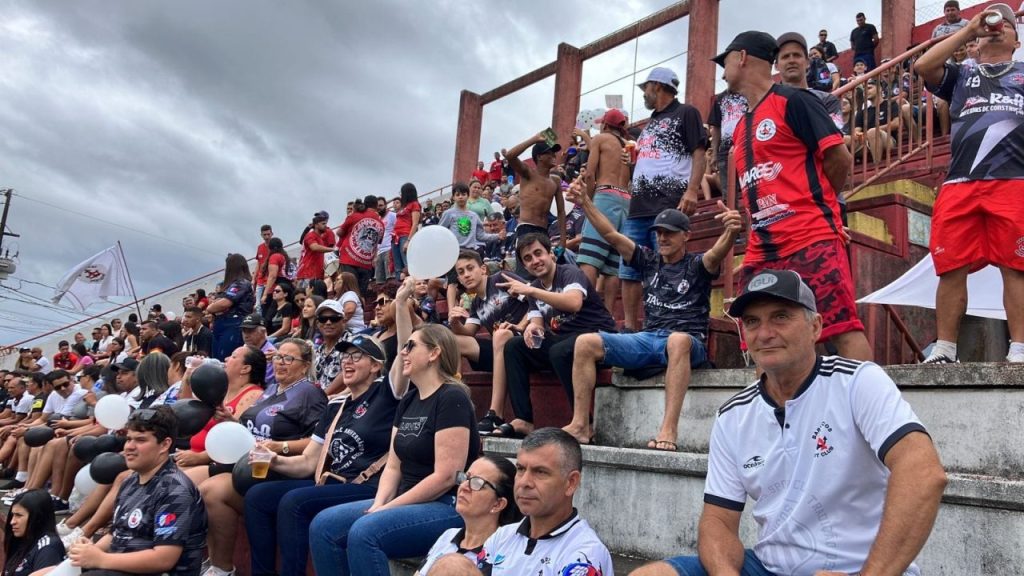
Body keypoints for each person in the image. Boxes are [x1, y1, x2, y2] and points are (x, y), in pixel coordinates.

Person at [636, 270, 946, 576]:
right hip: (769, 567)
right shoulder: (732, 415)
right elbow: (717, 521)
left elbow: (923, 472)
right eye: (752, 322)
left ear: (815, 327)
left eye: (780, 317)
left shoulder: (857, 382)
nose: (764, 333)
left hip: (861, 568)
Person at [714, 30, 872, 361]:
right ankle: (775, 413)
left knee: (840, 327)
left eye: (725, 61)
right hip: (761, 251)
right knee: (760, 339)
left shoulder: (795, 101)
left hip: (809, 237)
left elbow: (839, 157)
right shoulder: (741, 127)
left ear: (742, 57)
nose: (722, 70)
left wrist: (823, 209)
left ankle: (871, 413)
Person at [562, 182, 742, 449]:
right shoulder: (648, 260)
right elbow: (611, 234)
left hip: (687, 342)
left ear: (686, 236)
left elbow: (717, 253)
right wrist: (587, 202)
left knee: (678, 340)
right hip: (649, 339)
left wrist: (731, 230)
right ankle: (579, 425)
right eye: (658, 233)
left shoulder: (696, 265)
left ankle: (668, 430)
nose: (662, 238)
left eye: (669, 233)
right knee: (585, 342)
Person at [308, 311, 479, 576]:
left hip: (446, 503)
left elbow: (446, 477)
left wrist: (387, 509)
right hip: (405, 498)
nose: (403, 352)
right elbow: (393, 467)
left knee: (365, 532)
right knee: (323, 525)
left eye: (411, 346)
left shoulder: (451, 397)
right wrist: (379, 504)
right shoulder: (409, 401)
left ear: (434, 353)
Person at [914, 3, 1024, 363]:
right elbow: (923, 67)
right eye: (992, 23)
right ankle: (945, 349)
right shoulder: (962, 74)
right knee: (950, 267)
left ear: (1016, 39)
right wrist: (967, 31)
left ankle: (1020, 349)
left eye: (1005, 25)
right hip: (960, 182)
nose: (998, 28)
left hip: (1012, 181)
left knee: (1016, 266)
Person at [243, 333, 403, 576]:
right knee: (257, 496)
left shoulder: (387, 394)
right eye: (345, 356)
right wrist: (275, 460)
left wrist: (402, 303)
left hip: (370, 486)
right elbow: (308, 463)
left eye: (357, 356)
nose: (347, 362)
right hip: (332, 481)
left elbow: (403, 348)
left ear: (376, 366)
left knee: (294, 502)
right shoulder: (335, 406)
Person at [197, 339, 326, 576]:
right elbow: (253, 433)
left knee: (212, 491)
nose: (281, 363)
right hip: (245, 461)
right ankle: (205, 558)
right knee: (188, 480)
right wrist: (231, 421)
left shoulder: (310, 393)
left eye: (289, 359)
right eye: (278, 357)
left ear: (305, 366)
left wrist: (280, 447)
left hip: (278, 469)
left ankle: (222, 568)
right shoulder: (269, 389)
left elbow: (318, 441)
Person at [499, 233, 616, 437]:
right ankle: (524, 419)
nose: (535, 261)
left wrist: (530, 291)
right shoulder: (534, 288)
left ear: (551, 254)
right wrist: (531, 330)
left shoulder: (569, 273)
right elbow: (537, 323)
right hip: (564, 340)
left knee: (559, 351)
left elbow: (573, 303)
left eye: (538, 253)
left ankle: (584, 425)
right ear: (524, 267)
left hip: (597, 338)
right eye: (528, 259)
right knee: (514, 347)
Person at [622, 67, 707, 331]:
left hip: (668, 204)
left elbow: (700, 152)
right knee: (629, 269)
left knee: (668, 265)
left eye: (646, 88)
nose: (644, 94)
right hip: (638, 206)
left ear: (656, 86)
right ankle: (629, 327)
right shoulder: (650, 123)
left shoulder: (686, 112)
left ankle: (663, 324)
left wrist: (692, 190)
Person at [463, 429, 613, 575]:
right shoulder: (502, 537)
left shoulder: (585, 555)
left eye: (540, 472)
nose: (524, 482)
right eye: (520, 469)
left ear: (571, 483)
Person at [447, 250, 529, 436]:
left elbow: (535, 296)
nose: (466, 274)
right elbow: (467, 333)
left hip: (524, 342)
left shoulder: (500, 278)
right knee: (452, 341)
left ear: (483, 269)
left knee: (501, 334)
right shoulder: (476, 303)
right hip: (500, 349)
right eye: (461, 272)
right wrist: (454, 322)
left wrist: (520, 326)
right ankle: (457, 401)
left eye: (470, 268)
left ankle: (495, 414)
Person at [415, 455, 521, 575]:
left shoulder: (505, 552)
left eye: (477, 482)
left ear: (498, 504)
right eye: (466, 478)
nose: (464, 487)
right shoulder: (448, 536)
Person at [576, 109, 632, 312]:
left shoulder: (601, 138)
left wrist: (588, 202)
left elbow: (590, 175)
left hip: (605, 197)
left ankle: (584, 311)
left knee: (589, 257)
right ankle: (607, 317)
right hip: (625, 200)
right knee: (612, 265)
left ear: (606, 125)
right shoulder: (627, 146)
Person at [175, 346, 265, 473]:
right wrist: (189, 374)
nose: (226, 359)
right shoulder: (218, 389)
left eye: (233, 356)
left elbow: (238, 437)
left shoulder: (253, 394)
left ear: (245, 368)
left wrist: (200, 457)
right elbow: (185, 408)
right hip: (192, 456)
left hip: (217, 463)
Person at [501, 132, 566, 251]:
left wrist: (563, 242)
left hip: (544, 231)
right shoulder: (528, 173)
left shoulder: (555, 180)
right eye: (549, 152)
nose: (553, 155)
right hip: (526, 229)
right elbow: (510, 156)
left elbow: (561, 211)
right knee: (527, 268)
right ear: (539, 156)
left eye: (553, 152)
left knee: (545, 268)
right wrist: (534, 139)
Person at [3, 489, 64, 576]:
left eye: (19, 515)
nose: (12, 521)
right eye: (13, 515)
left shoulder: (48, 548)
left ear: (38, 517)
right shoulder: (23, 540)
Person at [207, 253, 255, 361]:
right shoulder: (231, 285)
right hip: (222, 324)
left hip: (234, 323)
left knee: (226, 359)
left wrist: (210, 308)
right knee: (217, 359)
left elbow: (225, 302)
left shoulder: (241, 283)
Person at [337, 194, 384, 294]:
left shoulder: (354, 216)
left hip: (348, 261)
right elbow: (376, 243)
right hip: (366, 264)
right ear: (376, 206)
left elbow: (339, 233)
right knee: (361, 295)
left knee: (348, 293)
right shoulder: (381, 223)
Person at [438, 182, 502, 251]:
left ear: (468, 196)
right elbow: (440, 232)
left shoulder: (474, 216)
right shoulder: (449, 213)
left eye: (463, 194)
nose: (460, 197)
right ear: (453, 197)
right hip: (454, 250)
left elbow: (480, 235)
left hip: (471, 251)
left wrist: (497, 236)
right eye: (457, 195)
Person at [853, 78, 903, 161]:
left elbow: (896, 123)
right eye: (864, 90)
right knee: (844, 140)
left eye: (869, 88)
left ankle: (877, 167)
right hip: (866, 141)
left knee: (873, 132)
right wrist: (862, 135)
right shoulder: (862, 112)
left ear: (879, 89)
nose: (866, 91)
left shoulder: (891, 104)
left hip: (888, 139)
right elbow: (856, 131)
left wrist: (875, 130)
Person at [312, 300, 352, 394]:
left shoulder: (352, 343)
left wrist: (323, 397)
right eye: (323, 319)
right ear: (318, 323)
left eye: (334, 318)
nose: (328, 322)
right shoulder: (318, 350)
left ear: (343, 321)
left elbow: (348, 374)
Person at [296, 212, 335, 290]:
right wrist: (333, 250)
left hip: (315, 274)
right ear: (316, 225)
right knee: (307, 299)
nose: (325, 226)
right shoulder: (311, 235)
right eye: (323, 224)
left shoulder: (318, 237)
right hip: (307, 274)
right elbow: (314, 247)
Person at [393, 183, 422, 280]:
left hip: (405, 236)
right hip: (396, 237)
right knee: (398, 267)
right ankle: (400, 288)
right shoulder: (404, 206)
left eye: (401, 192)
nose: (400, 194)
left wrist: (408, 241)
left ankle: (412, 289)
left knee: (408, 264)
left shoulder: (415, 204)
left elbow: (415, 223)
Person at [240, 313, 277, 388]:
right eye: (244, 331)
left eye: (250, 331)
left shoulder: (270, 353)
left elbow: (263, 382)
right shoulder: (245, 348)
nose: (246, 335)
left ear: (263, 332)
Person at [258, 237, 295, 312]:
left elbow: (272, 276)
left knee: (268, 315)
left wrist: (265, 294)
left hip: (275, 290)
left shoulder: (275, 257)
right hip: (287, 289)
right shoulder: (286, 258)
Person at [374, 197, 396, 286]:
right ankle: (382, 300)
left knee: (390, 279)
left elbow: (398, 231)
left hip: (389, 250)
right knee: (379, 282)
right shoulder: (376, 219)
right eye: (377, 206)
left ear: (386, 205)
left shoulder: (392, 215)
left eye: (381, 205)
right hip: (379, 252)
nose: (379, 207)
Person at [254, 224, 274, 313]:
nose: (266, 236)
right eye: (264, 234)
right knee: (258, 304)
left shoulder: (275, 246)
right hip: (260, 279)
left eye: (268, 234)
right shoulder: (260, 247)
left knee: (269, 303)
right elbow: (258, 262)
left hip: (271, 279)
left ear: (272, 234)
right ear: (261, 235)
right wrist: (254, 278)